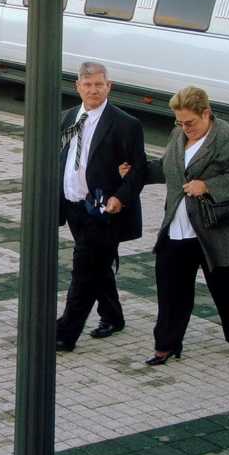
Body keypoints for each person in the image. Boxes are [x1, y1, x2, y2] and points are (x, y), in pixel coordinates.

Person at [123, 86, 229, 365]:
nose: (185, 128)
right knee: (171, 289)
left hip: (222, 231)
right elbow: (168, 168)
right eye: (179, 122)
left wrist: (208, 186)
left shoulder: (226, 139)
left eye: (190, 122)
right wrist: (137, 172)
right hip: (179, 227)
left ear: (206, 113)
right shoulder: (178, 135)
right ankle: (166, 345)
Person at [56, 61, 146, 352]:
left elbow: (138, 170)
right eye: (87, 84)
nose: (93, 90)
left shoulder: (125, 124)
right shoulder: (66, 118)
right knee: (98, 265)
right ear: (77, 86)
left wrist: (120, 196)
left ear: (109, 86)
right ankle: (113, 316)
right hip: (73, 207)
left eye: (99, 84)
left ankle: (65, 333)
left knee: (83, 271)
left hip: (104, 212)